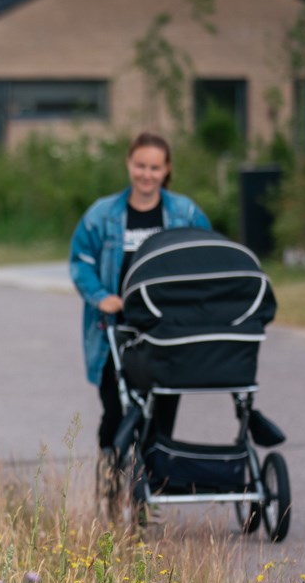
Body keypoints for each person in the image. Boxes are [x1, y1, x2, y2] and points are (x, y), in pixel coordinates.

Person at [69, 133, 211, 486]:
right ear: (129, 165)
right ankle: (112, 474)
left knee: (162, 412)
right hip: (114, 331)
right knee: (116, 410)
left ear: (167, 170)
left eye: (154, 167)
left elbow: (207, 254)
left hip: (168, 330)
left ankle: (151, 486)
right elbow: (81, 261)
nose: (146, 174)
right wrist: (100, 295)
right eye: (140, 166)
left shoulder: (185, 213)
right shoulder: (102, 215)